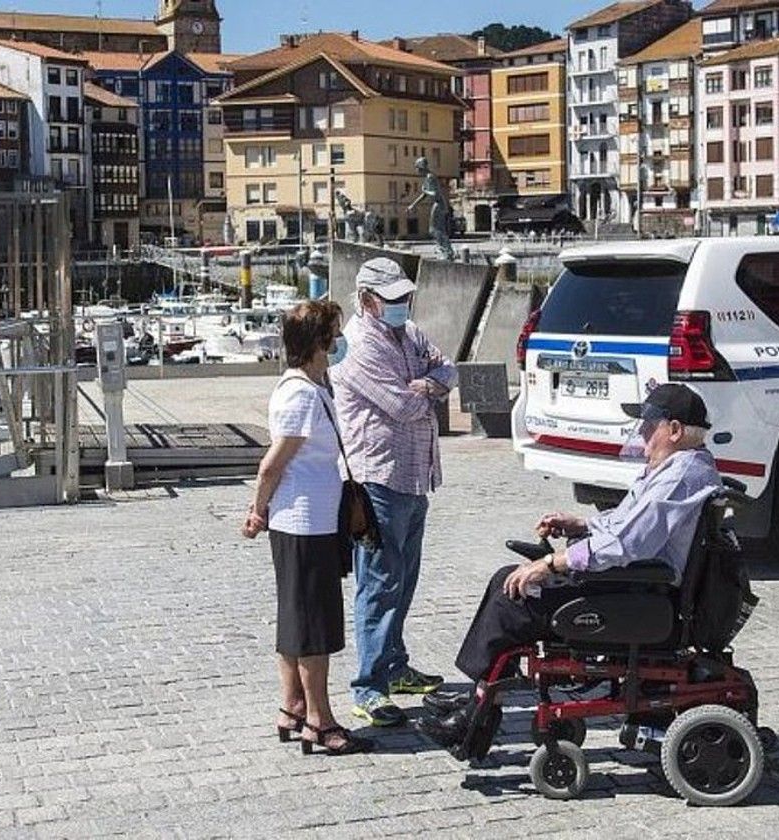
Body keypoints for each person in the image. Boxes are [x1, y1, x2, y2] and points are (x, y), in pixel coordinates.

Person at [414, 384, 723, 753]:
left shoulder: (679, 475)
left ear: (674, 430)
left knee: (514, 596)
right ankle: (479, 698)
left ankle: (477, 711)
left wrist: (554, 562)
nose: (641, 433)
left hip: (641, 590)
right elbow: (629, 525)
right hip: (635, 582)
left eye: (648, 425)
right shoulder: (678, 466)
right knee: (506, 580)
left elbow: (627, 544)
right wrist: (582, 525)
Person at [330, 257, 457, 728]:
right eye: (394, 298)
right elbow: (401, 406)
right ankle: (368, 685)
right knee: (379, 583)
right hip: (379, 476)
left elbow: (450, 370)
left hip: (415, 474)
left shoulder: (410, 333)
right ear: (367, 301)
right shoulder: (357, 346)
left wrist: (429, 382)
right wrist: (430, 389)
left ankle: (394, 664)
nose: (404, 304)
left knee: (403, 579)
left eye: (406, 297)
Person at [242, 300, 371, 756]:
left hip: (309, 518)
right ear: (318, 343)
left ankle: (292, 706)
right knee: (313, 625)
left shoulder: (312, 385)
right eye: (332, 336)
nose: (337, 343)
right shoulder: (299, 394)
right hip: (302, 521)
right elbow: (272, 464)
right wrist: (257, 512)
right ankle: (319, 719)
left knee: (297, 618)